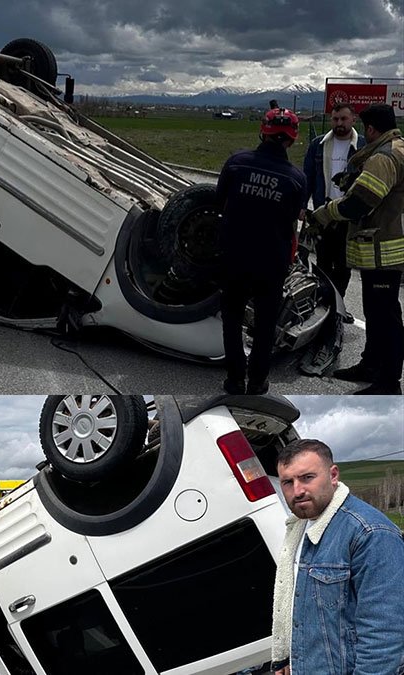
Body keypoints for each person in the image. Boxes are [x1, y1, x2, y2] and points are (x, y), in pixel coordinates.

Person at [270, 439, 404, 675]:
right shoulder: (300, 527)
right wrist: (289, 658)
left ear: (333, 475)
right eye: (288, 482)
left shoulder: (370, 533)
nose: (297, 490)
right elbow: (303, 606)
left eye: (307, 477)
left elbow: (384, 635)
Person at [308, 103, 404, 394]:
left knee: (385, 317)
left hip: (383, 249)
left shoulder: (383, 157)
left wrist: (326, 212)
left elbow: (359, 203)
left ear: (371, 128)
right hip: (387, 246)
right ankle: (371, 364)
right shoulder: (399, 147)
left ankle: (387, 382)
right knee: (376, 314)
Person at [216, 107, 309, 395]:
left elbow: (218, 203)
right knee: (266, 325)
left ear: (262, 130)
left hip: (234, 257)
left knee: (231, 319)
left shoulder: (236, 164)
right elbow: (296, 215)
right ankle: (257, 382)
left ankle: (234, 380)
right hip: (272, 262)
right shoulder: (297, 178)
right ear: (292, 139)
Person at [302, 103, 365, 296]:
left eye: (343, 119)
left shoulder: (363, 146)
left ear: (353, 119)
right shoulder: (318, 145)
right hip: (324, 215)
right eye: (335, 119)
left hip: (349, 217)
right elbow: (308, 177)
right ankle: (323, 304)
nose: (339, 123)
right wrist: (302, 206)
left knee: (344, 265)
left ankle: (339, 306)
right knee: (322, 262)